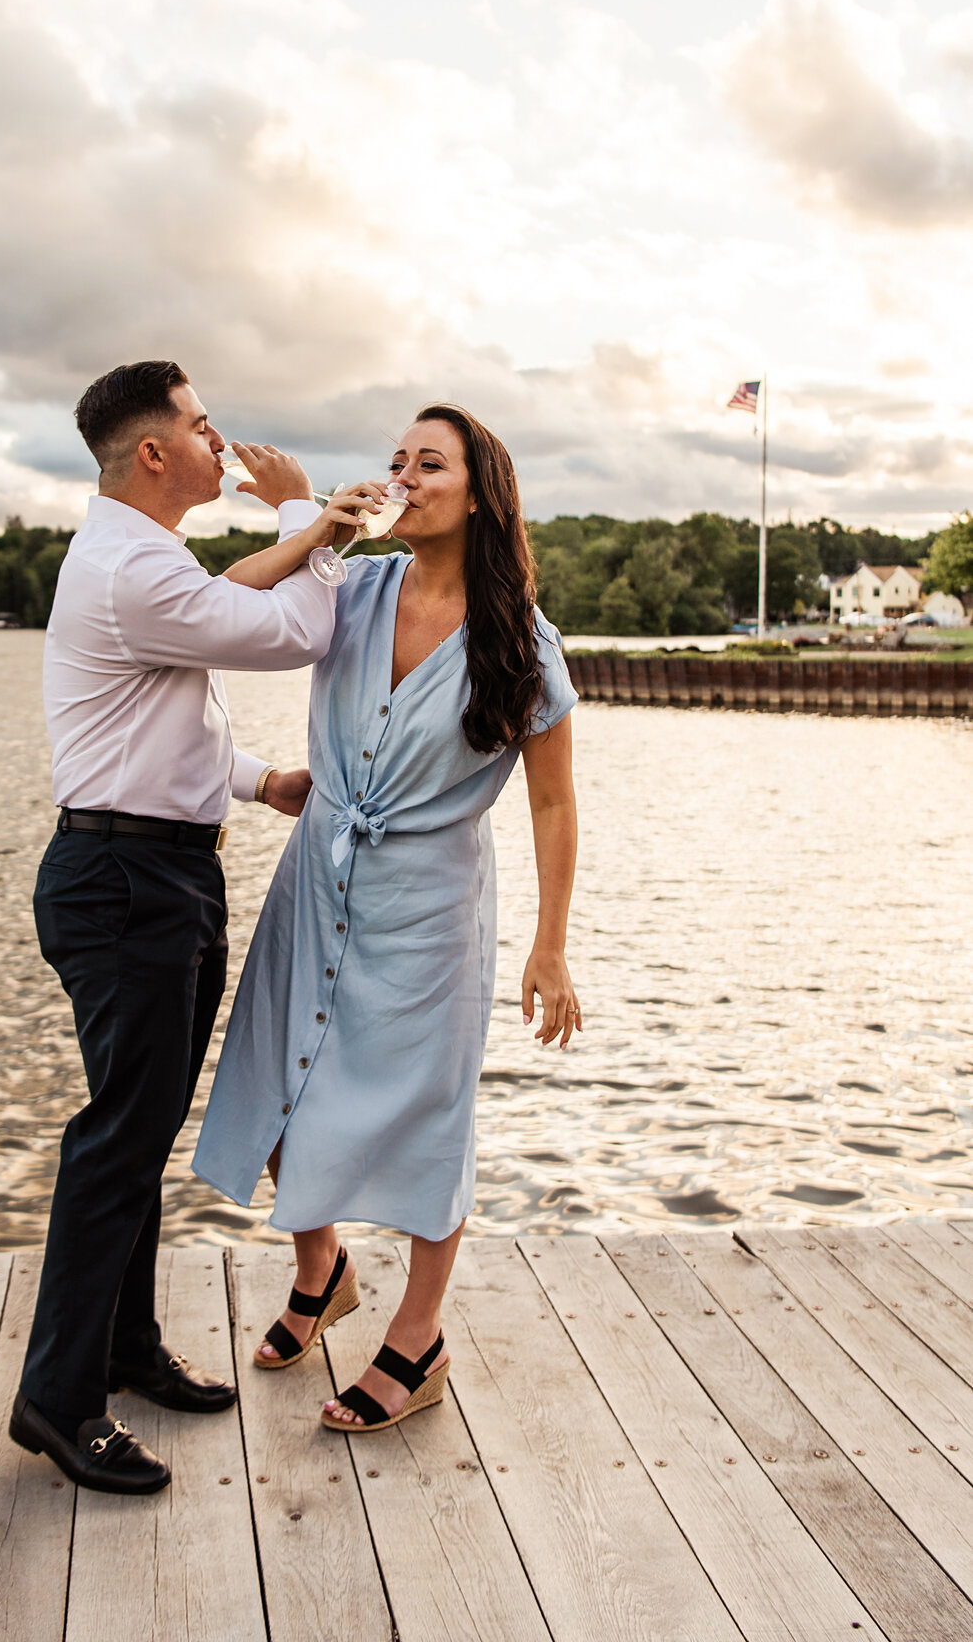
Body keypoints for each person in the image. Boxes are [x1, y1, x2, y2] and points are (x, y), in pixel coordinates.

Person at [11, 358, 383, 1495]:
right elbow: (286, 628)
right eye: (203, 424)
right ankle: (58, 1398)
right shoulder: (132, 569)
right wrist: (303, 510)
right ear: (156, 453)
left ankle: (120, 1348)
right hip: (125, 880)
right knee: (119, 1137)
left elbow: (161, 704)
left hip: (151, 870)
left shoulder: (140, 557)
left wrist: (255, 777)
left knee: (140, 1128)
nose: (221, 439)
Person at [193, 402, 581, 1434]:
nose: (405, 472)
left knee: (424, 1116)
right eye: (395, 458)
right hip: (316, 876)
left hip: (429, 904)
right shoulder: (350, 587)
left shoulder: (522, 641)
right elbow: (222, 603)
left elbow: (550, 799)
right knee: (275, 1077)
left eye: (431, 461)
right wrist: (319, 524)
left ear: (478, 491)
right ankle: (320, 1270)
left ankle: (418, 1338)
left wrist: (548, 945)